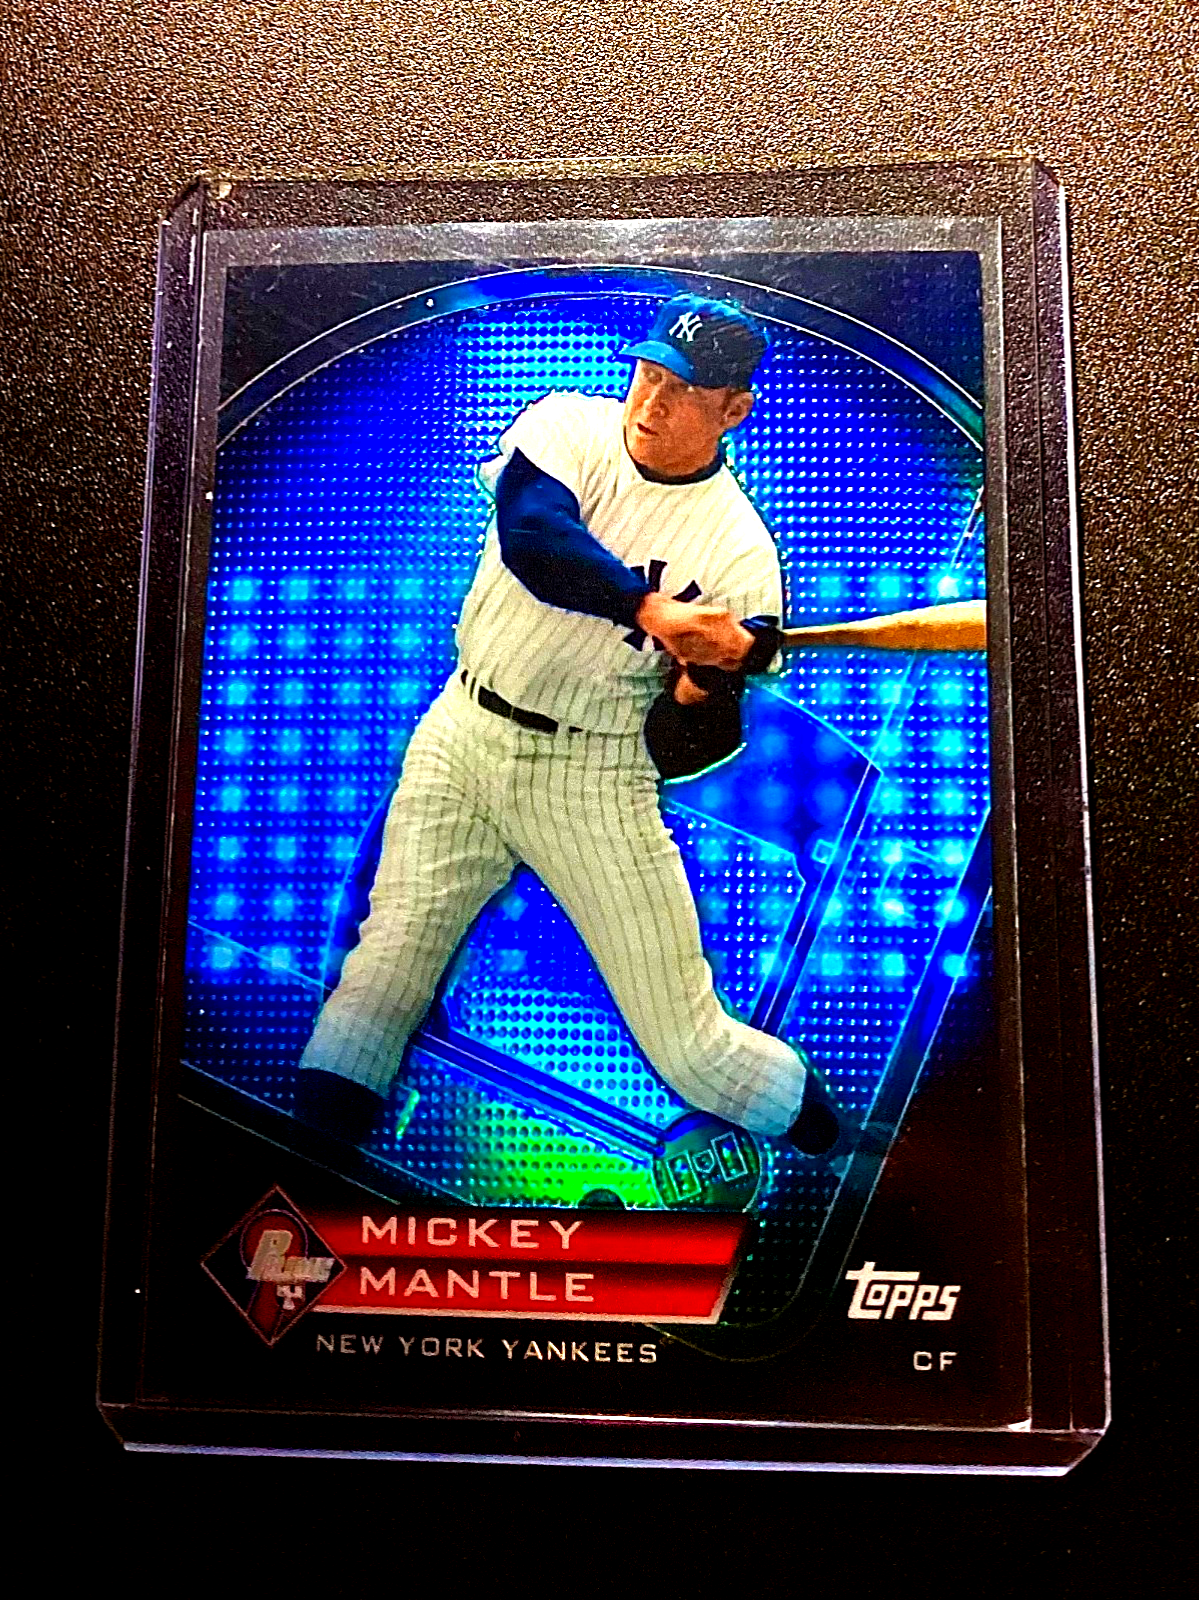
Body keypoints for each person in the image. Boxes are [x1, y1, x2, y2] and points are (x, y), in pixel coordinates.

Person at [295, 293, 843, 1156]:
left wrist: (705, 681)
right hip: (462, 731)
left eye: (683, 389)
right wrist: (655, 611)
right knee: (386, 967)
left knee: (691, 1048)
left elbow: (684, 750)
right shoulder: (568, 426)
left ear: (733, 410)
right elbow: (534, 537)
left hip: (592, 775)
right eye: (649, 372)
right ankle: (303, 1179)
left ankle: (848, 1151)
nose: (651, 400)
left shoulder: (740, 553)